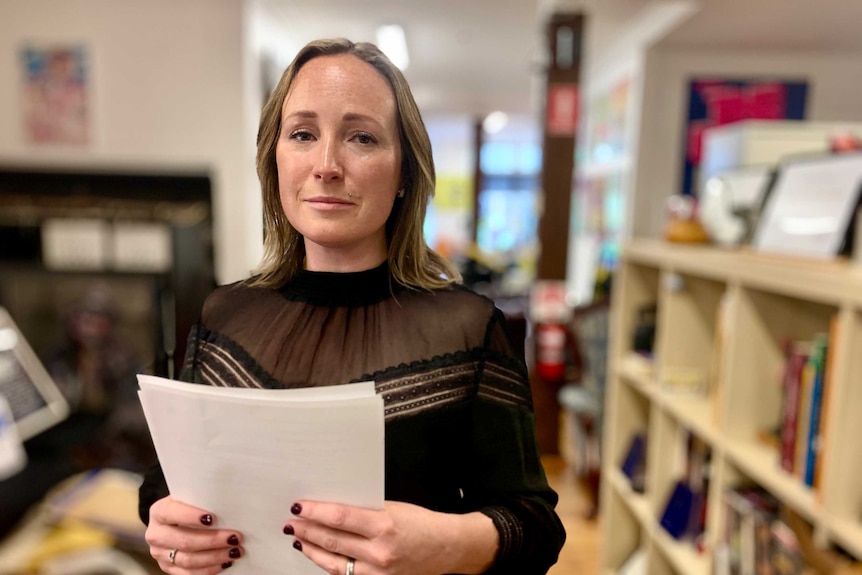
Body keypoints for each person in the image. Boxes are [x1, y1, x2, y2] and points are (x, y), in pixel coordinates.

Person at [138, 38, 565, 575]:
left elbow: (536, 528)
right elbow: (164, 484)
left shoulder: (468, 328)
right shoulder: (223, 315)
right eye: (302, 134)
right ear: (274, 158)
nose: (326, 165)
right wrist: (168, 531)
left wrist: (445, 541)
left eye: (361, 138)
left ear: (406, 171)